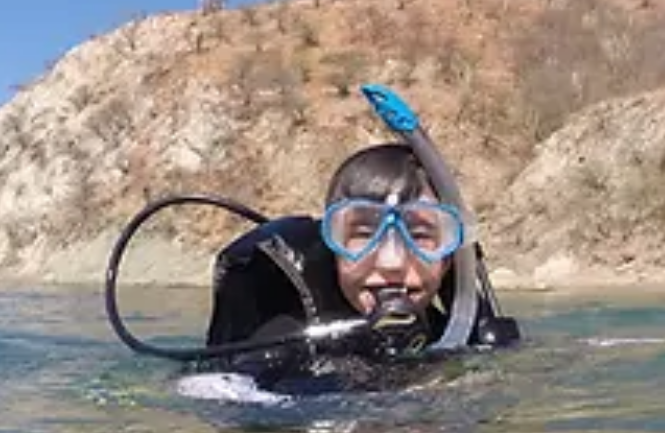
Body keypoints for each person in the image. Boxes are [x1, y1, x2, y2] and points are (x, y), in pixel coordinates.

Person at [198, 142, 516, 392]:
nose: (391, 263)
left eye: (420, 236)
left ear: (450, 258)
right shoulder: (282, 348)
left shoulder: (466, 343)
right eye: (363, 234)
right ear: (332, 246)